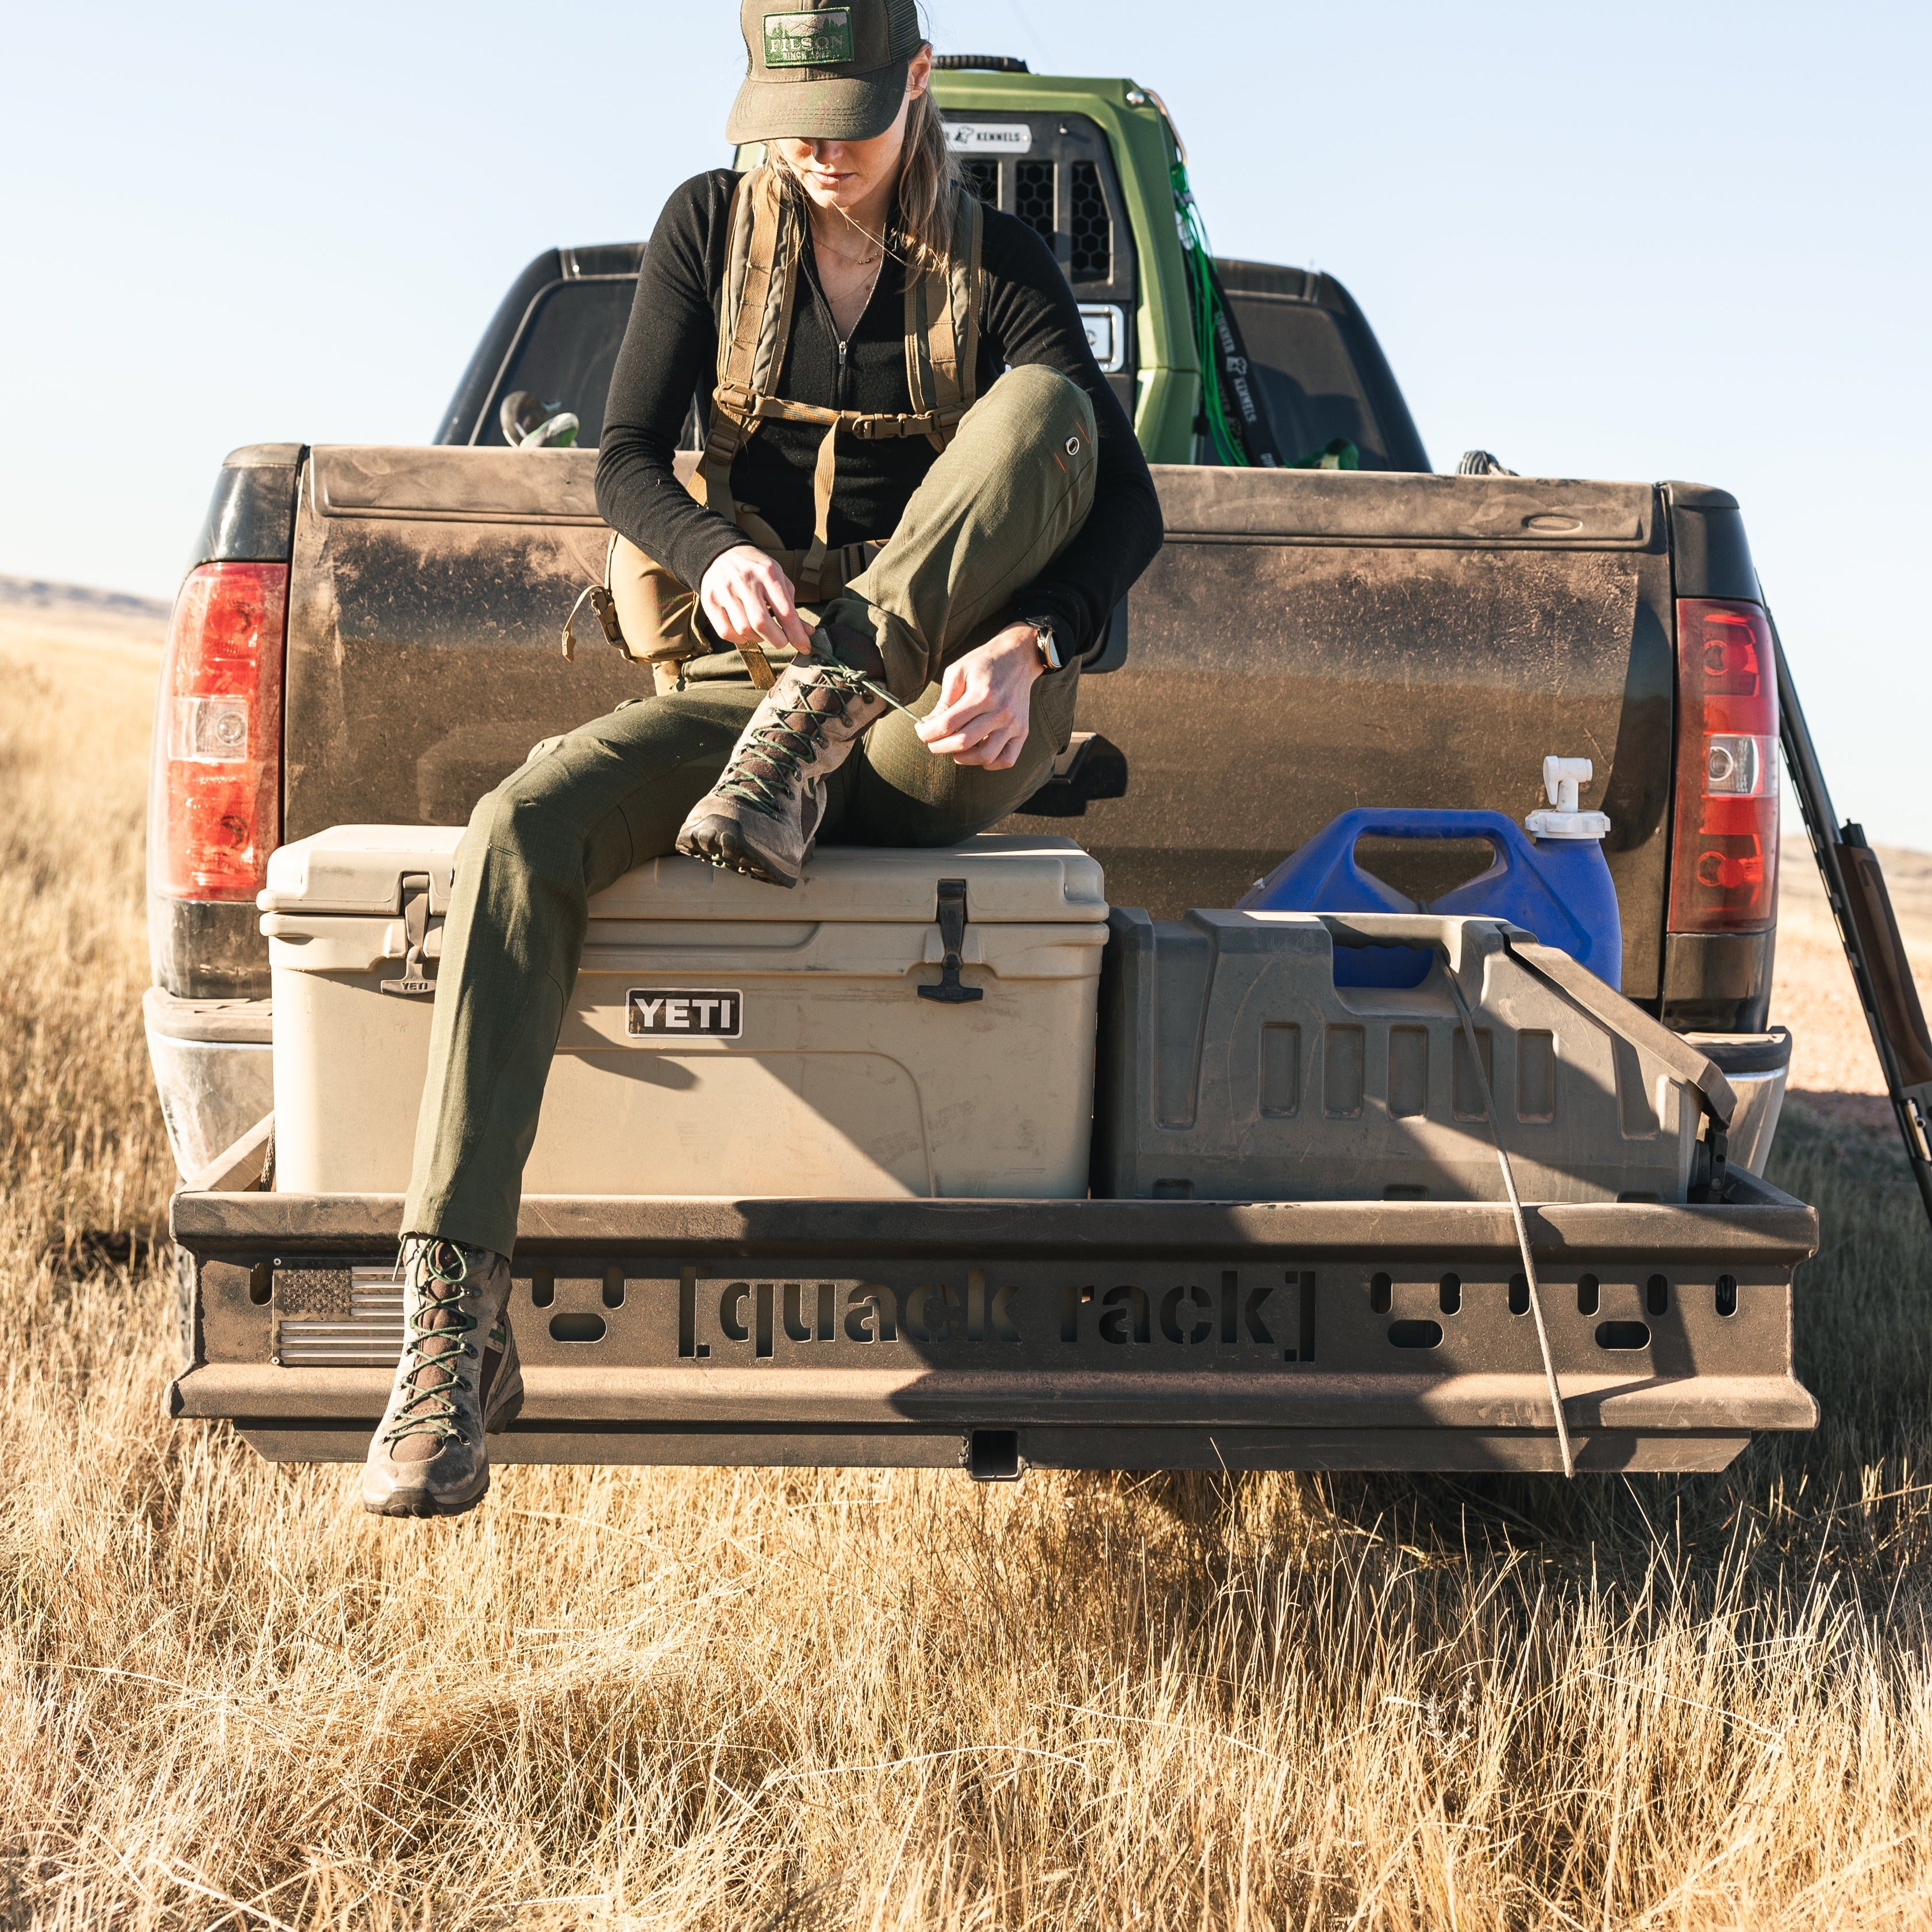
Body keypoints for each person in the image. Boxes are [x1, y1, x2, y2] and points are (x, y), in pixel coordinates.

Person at [360, 0, 1164, 1518]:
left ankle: (831, 708)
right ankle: (451, 1333)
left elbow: (1117, 506)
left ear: (917, 85)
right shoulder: (703, 228)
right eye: (786, 107)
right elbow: (617, 458)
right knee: (522, 818)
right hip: (744, 702)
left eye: (848, 111)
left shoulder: (999, 263)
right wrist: (711, 546)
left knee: (1053, 403)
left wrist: (1034, 641)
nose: (813, 142)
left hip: (935, 720)